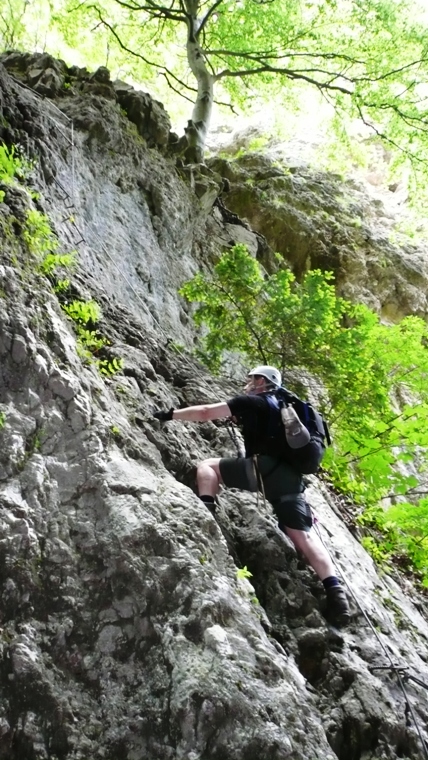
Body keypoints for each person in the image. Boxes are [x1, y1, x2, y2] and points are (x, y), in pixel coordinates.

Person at [154, 364, 350, 626]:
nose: (249, 383)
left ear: (261, 381)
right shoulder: (288, 407)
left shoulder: (254, 401)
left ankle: (207, 511)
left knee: (207, 467)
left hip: (261, 470)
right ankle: (336, 594)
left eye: (252, 379)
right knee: (303, 536)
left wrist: (169, 414)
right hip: (290, 480)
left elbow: (205, 412)